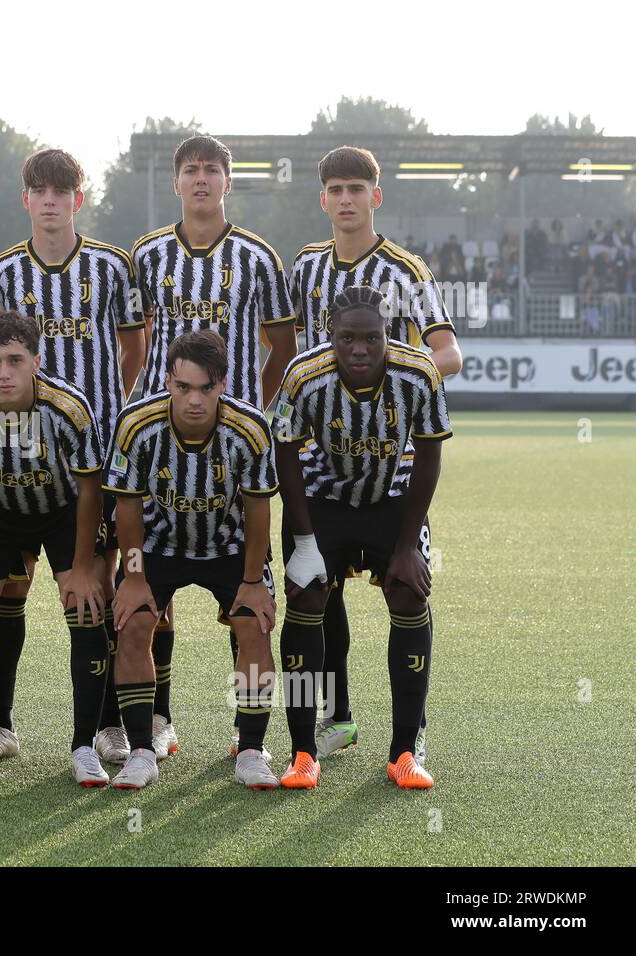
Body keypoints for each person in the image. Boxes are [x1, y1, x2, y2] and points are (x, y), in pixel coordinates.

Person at [288, 145, 462, 765]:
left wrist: (389, 378)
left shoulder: (406, 269)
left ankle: (408, 740)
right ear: (323, 198)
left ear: (375, 197)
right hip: (320, 462)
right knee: (316, 590)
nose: (344, 199)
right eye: (334, 188)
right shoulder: (306, 266)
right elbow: (291, 353)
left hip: (393, 463)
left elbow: (448, 352)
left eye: (355, 188)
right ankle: (335, 717)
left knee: (406, 590)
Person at [0, 148, 145, 769]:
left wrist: (98, 408)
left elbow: (133, 351)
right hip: (16, 461)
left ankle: (106, 728)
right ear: (26, 199)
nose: (50, 201)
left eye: (61, 191)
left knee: (91, 590)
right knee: (9, 595)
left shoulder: (111, 266)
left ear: (79, 197)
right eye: (38, 191)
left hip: (90, 460)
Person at [132, 134, 297, 762]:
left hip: (232, 441)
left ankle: (245, 736)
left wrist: (260, 407)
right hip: (162, 439)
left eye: (212, 170)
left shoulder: (256, 256)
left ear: (228, 181)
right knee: (156, 580)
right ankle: (162, 721)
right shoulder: (147, 254)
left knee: (244, 585)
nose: (201, 179)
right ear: (176, 182)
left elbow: (281, 344)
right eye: (190, 170)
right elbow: (132, 338)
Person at [273, 285, 452, 790]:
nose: (358, 349)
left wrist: (405, 546)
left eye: (370, 338)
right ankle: (304, 752)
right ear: (329, 335)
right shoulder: (304, 376)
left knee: (408, 591)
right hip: (322, 502)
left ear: (387, 336)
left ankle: (404, 751)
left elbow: (430, 455)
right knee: (306, 596)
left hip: (393, 502)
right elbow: (285, 452)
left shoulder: (418, 373)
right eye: (347, 337)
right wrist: (304, 544)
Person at [0, 309, 109, 786]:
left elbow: (92, 487)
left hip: (62, 511)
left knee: (85, 607)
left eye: (15, 359)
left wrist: (79, 565)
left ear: (37, 360)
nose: (4, 372)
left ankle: (83, 746)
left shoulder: (68, 406)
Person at [105, 330, 279, 791]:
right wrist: (135, 578)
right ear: (167, 382)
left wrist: (252, 580)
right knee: (135, 621)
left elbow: (259, 507)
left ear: (222, 384)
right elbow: (126, 506)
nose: (194, 400)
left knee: (254, 624)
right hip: (159, 544)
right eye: (183, 387)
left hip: (230, 547)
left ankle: (251, 749)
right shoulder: (136, 425)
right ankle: (141, 750)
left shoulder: (250, 428)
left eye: (205, 388)